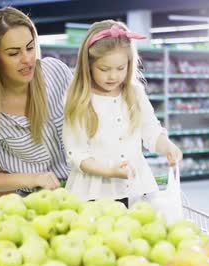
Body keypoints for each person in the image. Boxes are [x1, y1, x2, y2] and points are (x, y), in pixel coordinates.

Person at [63, 20, 183, 206]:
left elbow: (151, 131)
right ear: (88, 65)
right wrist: (109, 171)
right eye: (104, 69)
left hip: (135, 188)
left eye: (120, 68)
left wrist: (167, 147)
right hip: (92, 193)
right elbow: (77, 153)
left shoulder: (135, 94)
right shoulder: (79, 100)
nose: (113, 76)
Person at [0, 7, 73, 194]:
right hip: (35, 200)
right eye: (13, 53)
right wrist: (32, 178)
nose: (27, 59)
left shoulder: (56, 72)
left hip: (86, 189)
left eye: (30, 47)